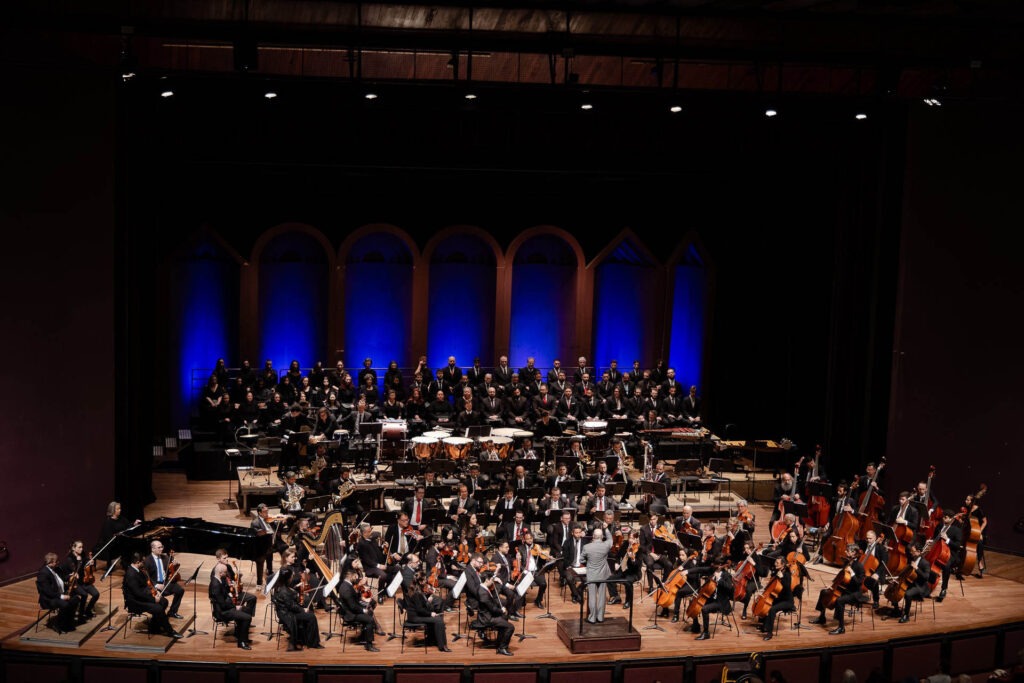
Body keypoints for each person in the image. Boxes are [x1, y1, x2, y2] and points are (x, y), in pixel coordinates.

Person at [809, 543, 864, 634]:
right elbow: (841, 576)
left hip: (854, 592)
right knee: (824, 592)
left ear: (854, 553)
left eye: (848, 551)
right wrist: (833, 585)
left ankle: (841, 627)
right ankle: (822, 617)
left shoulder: (859, 566)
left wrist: (852, 573)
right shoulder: (847, 562)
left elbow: (858, 583)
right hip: (845, 589)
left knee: (840, 600)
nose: (845, 552)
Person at [123, 552, 181, 638]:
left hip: (142, 596)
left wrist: (155, 591)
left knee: (164, 601)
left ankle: (154, 626)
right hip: (135, 602)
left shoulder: (138, 570)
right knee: (158, 608)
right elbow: (137, 593)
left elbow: (146, 584)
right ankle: (170, 631)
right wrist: (153, 599)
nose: (144, 563)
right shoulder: (131, 574)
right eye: (142, 562)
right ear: (138, 562)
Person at [271, 568, 323, 651]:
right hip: (288, 615)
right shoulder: (284, 591)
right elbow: (292, 606)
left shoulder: (279, 586)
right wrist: (303, 610)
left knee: (308, 612)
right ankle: (313, 643)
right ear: (287, 578)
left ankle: (305, 639)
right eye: (291, 576)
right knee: (311, 617)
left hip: (283, 612)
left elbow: (290, 603)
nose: (292, 577)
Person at [209, 563, 253, 649]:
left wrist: (234, 605)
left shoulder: (220, 580)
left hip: (226, 608)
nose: (226, 574)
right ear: (220, 573)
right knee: (247, 617)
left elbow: (226, 598)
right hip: (222, 612)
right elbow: (222, 604)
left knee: (246, 610)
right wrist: (234, 607)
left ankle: (240, 635)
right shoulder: (215, 585)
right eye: (225, 572)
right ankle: (242, 642)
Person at [37, 552, 80, 632]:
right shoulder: (43, 573)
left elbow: (63, 578)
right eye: (56, 561)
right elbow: (47, 591)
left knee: (76, 599)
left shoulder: (56, 569)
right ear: (50, 562)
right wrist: (62, 596)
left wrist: (72, 575)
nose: (58, 563)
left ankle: (68, 621)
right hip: (49, 599)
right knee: (65, 604)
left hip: (60, 594)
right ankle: (58, 624)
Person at [405, 578, 452, 652]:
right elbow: (420, 609)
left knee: (438, 618)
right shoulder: (416, 593)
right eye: (424, 581)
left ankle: (434, 640)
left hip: (417, 615)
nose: (426, 582)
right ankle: (442, 646)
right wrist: (430, 613)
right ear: (420, 582)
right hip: (415, 617)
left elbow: (421, 604)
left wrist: (427, 600)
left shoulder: (418, 590)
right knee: (439, 620)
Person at [694, 556, 734, 640]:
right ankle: (695, 626)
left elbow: (730, 588)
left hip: (721, 602)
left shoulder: (726, 575)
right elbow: (700, 570)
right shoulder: (712, 571)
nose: (714, 567)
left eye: (716, 565)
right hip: (712, 599)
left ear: (720, 565)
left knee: (704, 609)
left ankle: (706, 633)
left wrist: (719, 579)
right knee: (696, 602)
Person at [338, 568, 379, 651]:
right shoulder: (346, 589)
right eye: (355, 576)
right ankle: (369, 645)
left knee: (370, 611)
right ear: (350, 576)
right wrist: (363, 610)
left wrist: (363, 601)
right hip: (350, 615)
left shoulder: (347, 584)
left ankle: (365, 635)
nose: (356, 578)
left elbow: (354, 600)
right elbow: (353, 607)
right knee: (370, 619)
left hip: (352, 610)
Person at [143, 540, 184, 619]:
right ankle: (159, 616)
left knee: (180, 590)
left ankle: (172, 612)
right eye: (159, 547)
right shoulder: (147, 561)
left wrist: (175, 565)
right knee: (162, 601)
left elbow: (171, 569)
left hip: (166, 582)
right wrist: (156, 585)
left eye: (162, 547)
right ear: (153, 549)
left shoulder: (165, 557)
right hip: (154, 585)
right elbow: (146, 576)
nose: (161, 549)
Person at [477, 570, 515, 656]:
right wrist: (501, 610)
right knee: (510, 627)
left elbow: (492, 605)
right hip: (487, 618)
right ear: (487, 580)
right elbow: (493, 609)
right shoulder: (483, 594)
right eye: (491, 579)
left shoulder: (483, 588)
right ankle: (502, 648)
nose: (493, 581)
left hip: (487, 614)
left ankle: (499, 643)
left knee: (505, 618)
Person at [758, 555, 794, 641]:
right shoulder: (776, 572)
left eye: (777, 563)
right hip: (779, 598)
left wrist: (782, 578)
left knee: (772, 609)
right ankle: (764, 626)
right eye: (775, 562)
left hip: (787, 600)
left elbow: (787, 589)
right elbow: (771, 584)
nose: (775, 564)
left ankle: (769, 633)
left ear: (783, 565)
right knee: (766, 605)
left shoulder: (787, 574)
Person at [582, 526, 614, 624]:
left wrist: (588, 561)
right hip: (603, 575)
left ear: (593, 536)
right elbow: (610, 539)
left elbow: (581, 560)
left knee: (592, 596)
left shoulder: (586, 547)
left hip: (592, 575)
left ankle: (592, 618)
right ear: (601, 537)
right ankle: (600, 617)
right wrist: (606, 528)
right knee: (602, 596)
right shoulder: (606, 546)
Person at [931, 510, 964, 602]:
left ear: (951, 519)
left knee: (946, 565)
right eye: (943, 517)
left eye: (946, 517)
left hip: (950, 554)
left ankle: (943, 589)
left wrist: (947, 539)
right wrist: (930, 541)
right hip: (937, 551)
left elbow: (957, 546)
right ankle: (927, 586)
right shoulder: (939, 526)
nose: (943, 518)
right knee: (927, 561)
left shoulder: (956, 530)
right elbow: (934, 538)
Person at [62, 540, 99, 622]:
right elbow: (74, 570)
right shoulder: (69, 559)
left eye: (82, 547)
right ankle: (81, 614)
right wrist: (78, 561)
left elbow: (87, 565)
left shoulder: (82, 555)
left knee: (96, 594)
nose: (81, 549)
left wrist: (91, 562)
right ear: (73, 548)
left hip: (85, 581)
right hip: (75, 583)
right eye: (79, 547)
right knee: (84, 595)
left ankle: (87, 610)